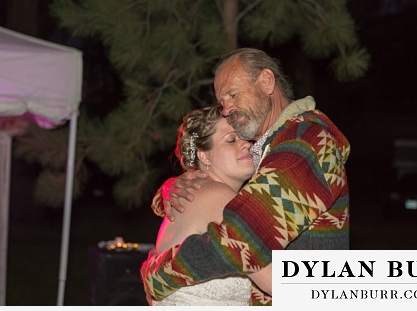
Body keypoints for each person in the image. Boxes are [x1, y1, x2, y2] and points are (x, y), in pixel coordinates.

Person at [142, 48, 350, 304]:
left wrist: (157, 273)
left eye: (232, 94)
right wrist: (173, 187)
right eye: (222, 102)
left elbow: (242, 240)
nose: (227, 108)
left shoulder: (302, 141)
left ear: (266, 81)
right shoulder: (273, 148)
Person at [144, 108, 270, 305]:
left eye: (246, 137)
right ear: (204, 156)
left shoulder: (197, 193)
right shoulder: (216, 196)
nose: (246, 144)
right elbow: (272, 279)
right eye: (231, 140)